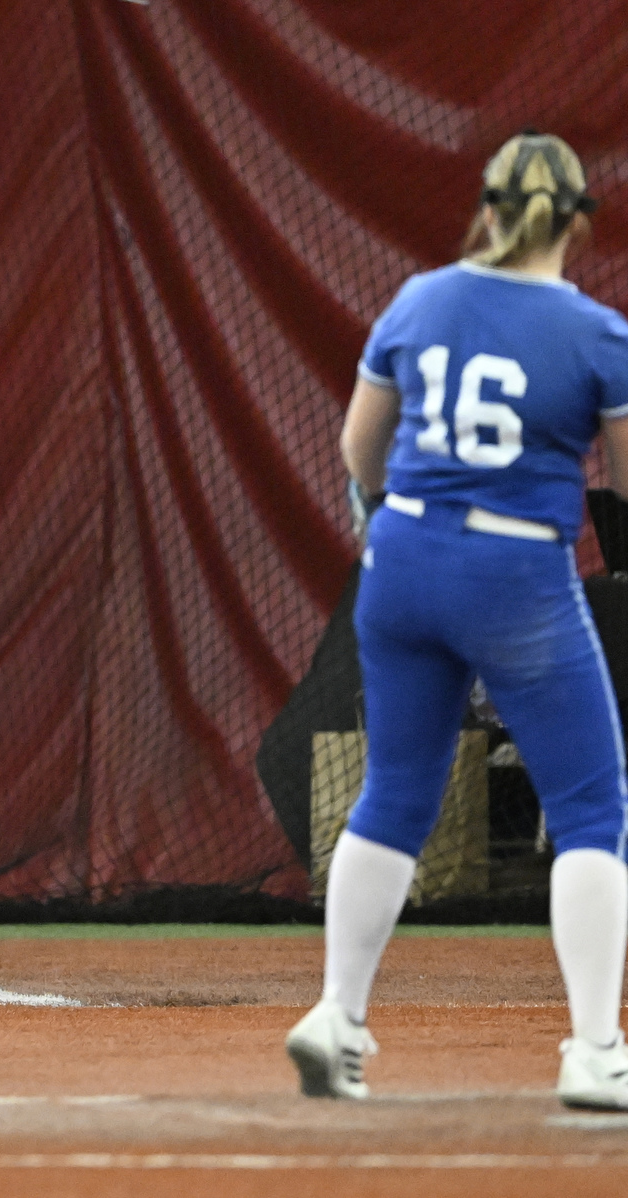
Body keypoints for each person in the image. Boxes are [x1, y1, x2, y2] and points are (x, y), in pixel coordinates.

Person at [286, 132, 628, 1109]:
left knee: (393, 795)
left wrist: (393, 530)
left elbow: (360, 450)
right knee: (593, 808)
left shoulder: (419, 298)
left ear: (485, 207)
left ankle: (337, 1017)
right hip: (517, 566)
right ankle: (597, 1050)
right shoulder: (598, 331)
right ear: (576, 220)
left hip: (401, 559)